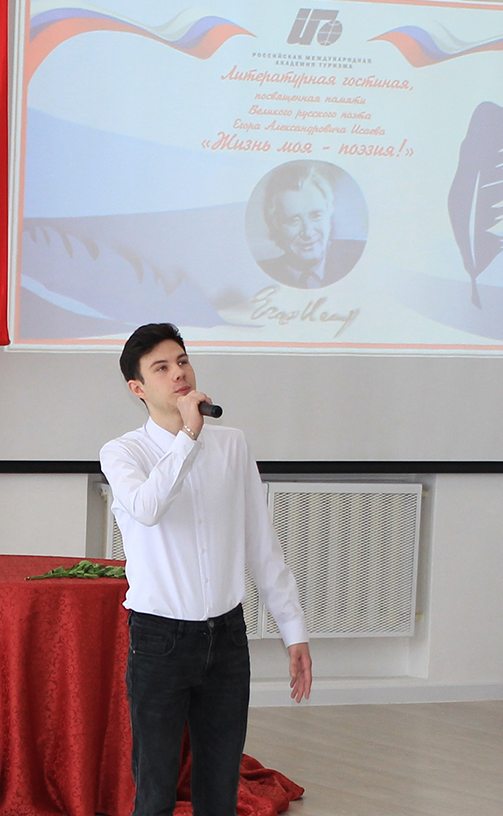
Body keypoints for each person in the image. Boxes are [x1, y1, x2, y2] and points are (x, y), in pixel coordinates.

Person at [99, 323, 312, 816]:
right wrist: (189, 436)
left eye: (182, 361)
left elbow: (261, 544)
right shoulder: (123, 452)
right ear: (137, 388)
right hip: (159, 640)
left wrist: (293, 629)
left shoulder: (232, 444)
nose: (179, 374)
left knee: (219, 790)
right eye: (161, 368)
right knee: (155, 792)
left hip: (227, 639)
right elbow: (148, 508)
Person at [258, 162, 350, 289]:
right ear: (276, 224)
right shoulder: (260, 274)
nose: (308, 233)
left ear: (329, 213)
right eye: (293, 221)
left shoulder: (354, 262)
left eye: (316, 216)